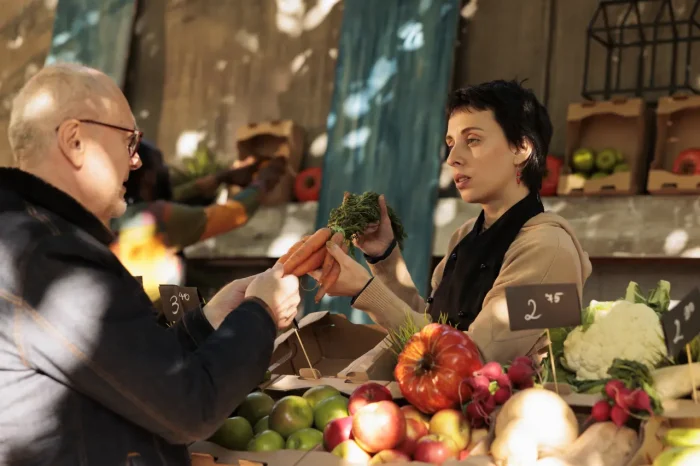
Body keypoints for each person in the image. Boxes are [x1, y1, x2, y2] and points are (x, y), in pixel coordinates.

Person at [0, 63, 300, 465]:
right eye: (128, 141)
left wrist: (207, 321)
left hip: (169, 307)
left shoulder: (29, 236)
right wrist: (262, 313)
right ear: (74, 141)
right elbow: (189, 407)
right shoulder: (52, 260)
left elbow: (127, 365)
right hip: (173, 303)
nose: (136, 160)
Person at [314, 80, 592, 364]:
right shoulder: (466, 235)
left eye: (472, 140)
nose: (452, 159)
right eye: (450, 143)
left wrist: (365, 291)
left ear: (521, 148)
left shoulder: (552, 251)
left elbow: (474, 356)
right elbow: (432, 328)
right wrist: (383, 255)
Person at [111, 140, 287, 302]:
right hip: (155, 321)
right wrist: (263, 182)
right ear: (149, 177)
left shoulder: (115, 211)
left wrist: (221, 178)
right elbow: (234, 213)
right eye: (161, 167)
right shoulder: (158, 217)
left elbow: (178, 196)